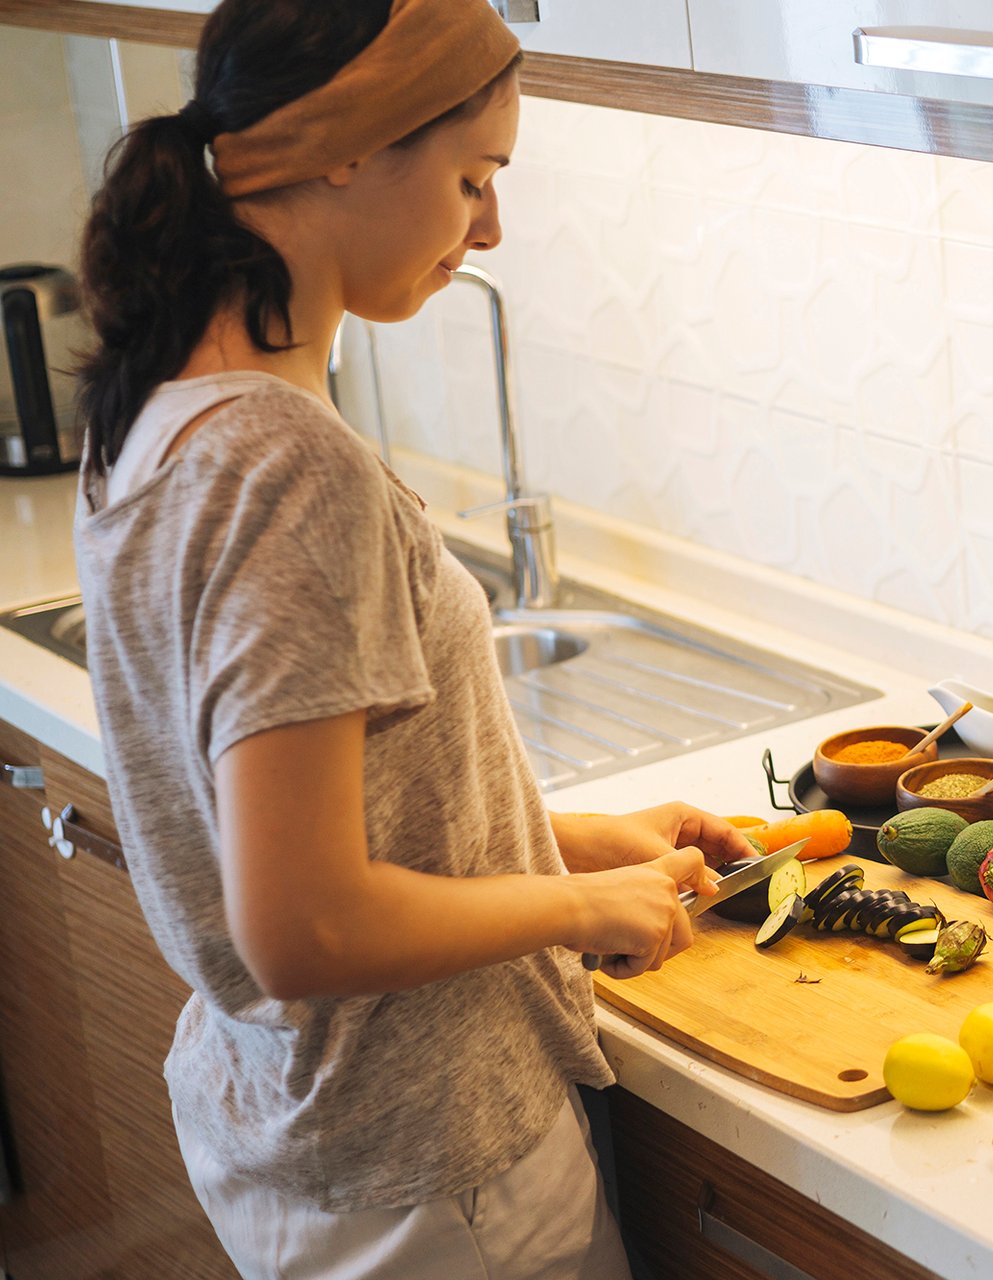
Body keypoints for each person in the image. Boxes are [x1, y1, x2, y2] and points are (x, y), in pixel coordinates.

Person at [70, 1, 753, 1275]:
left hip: (308, 1131)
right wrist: (573, 902)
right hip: (435, 1184)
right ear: (347, 148)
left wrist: (569, 843)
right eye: (472, 178)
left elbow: (315, 832)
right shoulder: (285, 468)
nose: (489, 227)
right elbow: (304, 926)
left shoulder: (156, 405)